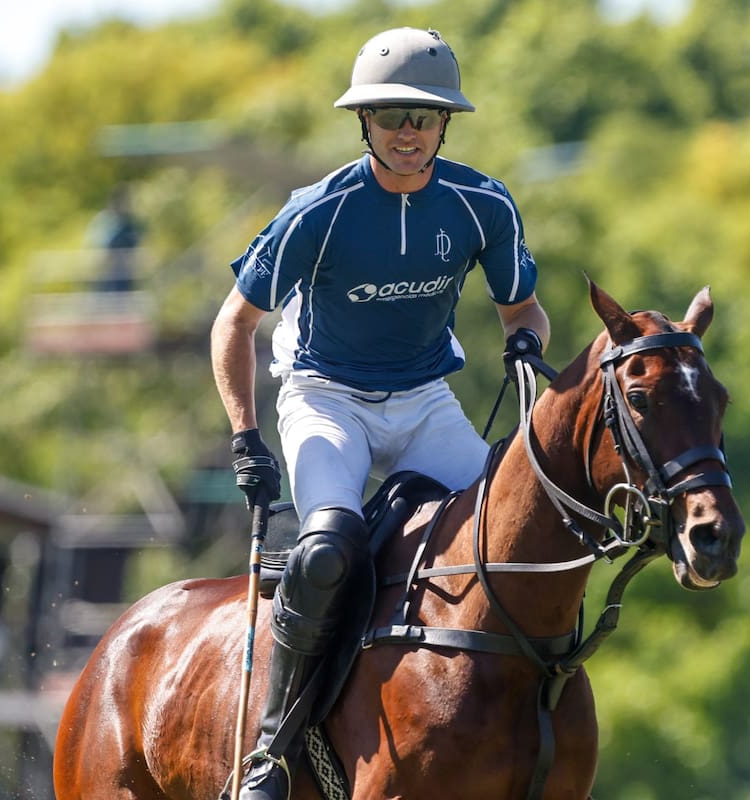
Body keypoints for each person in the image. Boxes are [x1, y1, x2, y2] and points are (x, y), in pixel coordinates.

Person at [210, 26, 550, 800]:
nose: (407, 132)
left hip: (426, 401)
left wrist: (525, 346)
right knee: (329, 547)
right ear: (363, 121)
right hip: (326, 397)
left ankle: (536, 719)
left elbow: (522, 308)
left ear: (445, 125)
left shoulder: (481, 204)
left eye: (423, 118)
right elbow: (235, 323)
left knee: (519, 532)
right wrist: (245, 438)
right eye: (391, 115)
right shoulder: (316, 211)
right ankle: (272, 748)